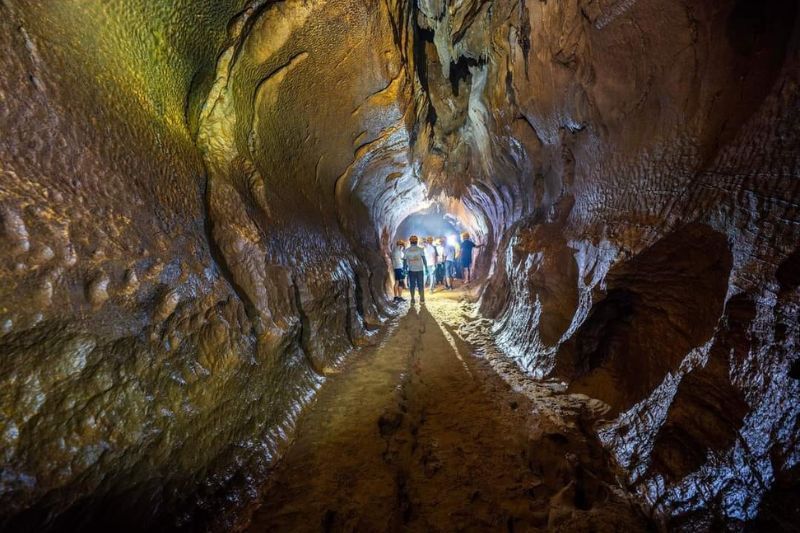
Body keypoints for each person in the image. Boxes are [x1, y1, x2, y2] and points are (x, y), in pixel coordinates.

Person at [404, 235, 427, 304]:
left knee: (412, 285)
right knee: (420, 284)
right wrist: (426, 268)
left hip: (411, 270)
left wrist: (404, 269)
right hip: (420, 270)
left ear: (410, 242)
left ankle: (412, 299)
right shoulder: (420, 249)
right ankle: (422, 299)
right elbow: (424, 259)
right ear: (416, 241)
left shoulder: (406, 250)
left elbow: (404, 261)